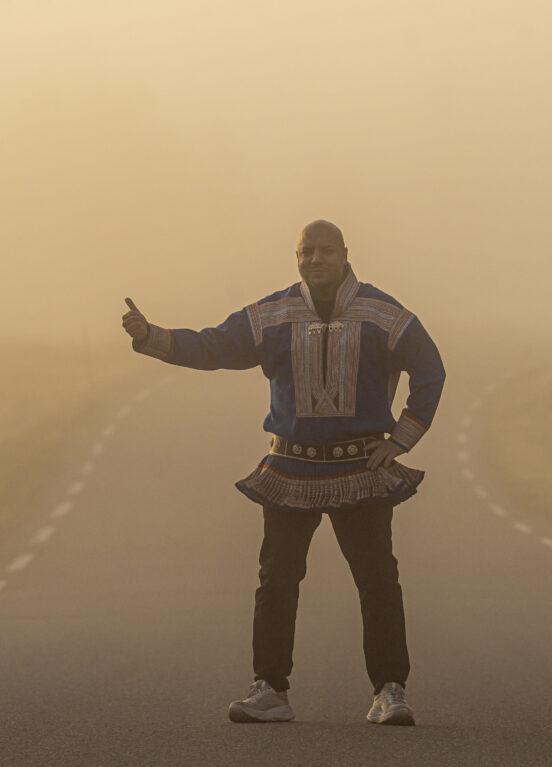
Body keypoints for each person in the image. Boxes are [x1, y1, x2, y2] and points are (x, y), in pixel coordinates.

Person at [121, 219, 445, 726]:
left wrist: (401, 439)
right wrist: (153, 336)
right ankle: (270, 689)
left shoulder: (385, 313)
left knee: (377, 579)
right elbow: (213, 346)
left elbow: (430, 370)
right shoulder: (270, 315)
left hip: (360, 468)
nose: (315, 260)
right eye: (305, 252)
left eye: (325, 251)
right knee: (276, 579)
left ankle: (389, 690)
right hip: (289, 468)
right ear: (296, 257)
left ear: (345, 254)